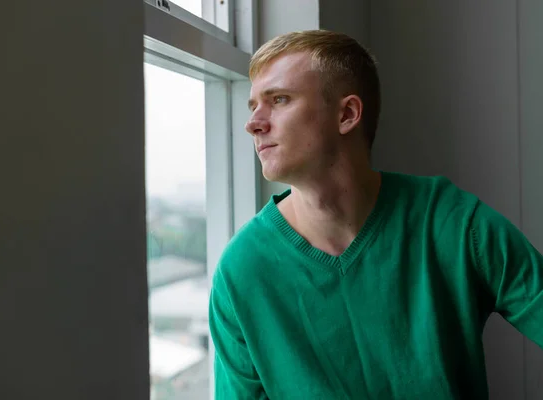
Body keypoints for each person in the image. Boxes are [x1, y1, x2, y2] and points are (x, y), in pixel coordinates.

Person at [208, 29, 543, 399]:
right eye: (253, 105)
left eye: (280, 99)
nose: (253, 122)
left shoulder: (455, 223)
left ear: (348, 114)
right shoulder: (241, 270)